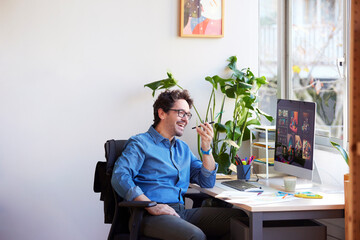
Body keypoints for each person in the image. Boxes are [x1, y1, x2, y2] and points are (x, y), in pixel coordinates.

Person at [111, 89, 246, 240]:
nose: (186, 120)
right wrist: (151, 205)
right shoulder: (140, 143)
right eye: (181, 113)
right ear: (162, 113)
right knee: (195, 236)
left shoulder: (183, 149)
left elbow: (207, 181)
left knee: (240, 220)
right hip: (149, 215)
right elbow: (119, 176)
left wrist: (207, 149)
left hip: (180, 213)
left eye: (188, 115)